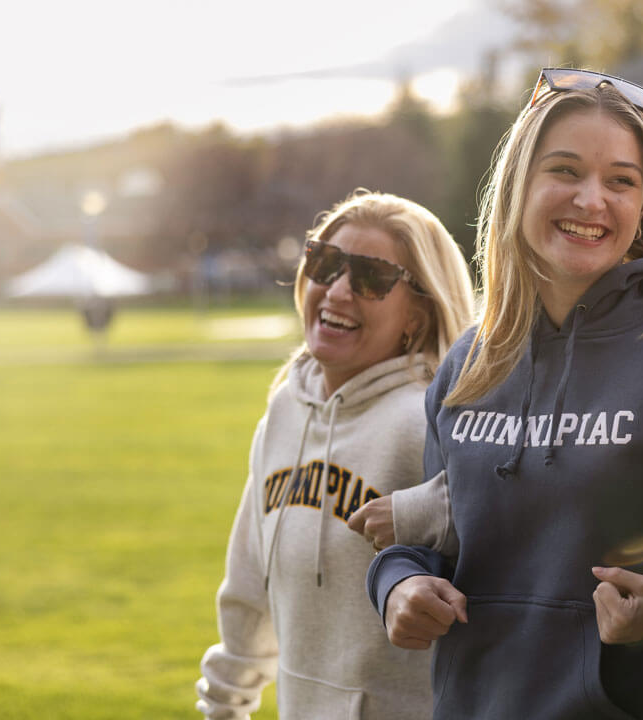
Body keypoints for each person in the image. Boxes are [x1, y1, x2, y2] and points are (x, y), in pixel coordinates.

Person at [364, 68, 643, 720]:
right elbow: (441, 538)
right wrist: (397, 583)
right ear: (520, 186)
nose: (591, 199)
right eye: (566, 171)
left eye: (621, 180)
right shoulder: (469, 363)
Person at [195, 190, 475, 719]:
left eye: (371, 278)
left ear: (417, 312)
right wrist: (224, 705)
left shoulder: (429, 424)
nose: (338, 291)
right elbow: (250, 585)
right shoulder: (286, 408)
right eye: (326, 264)